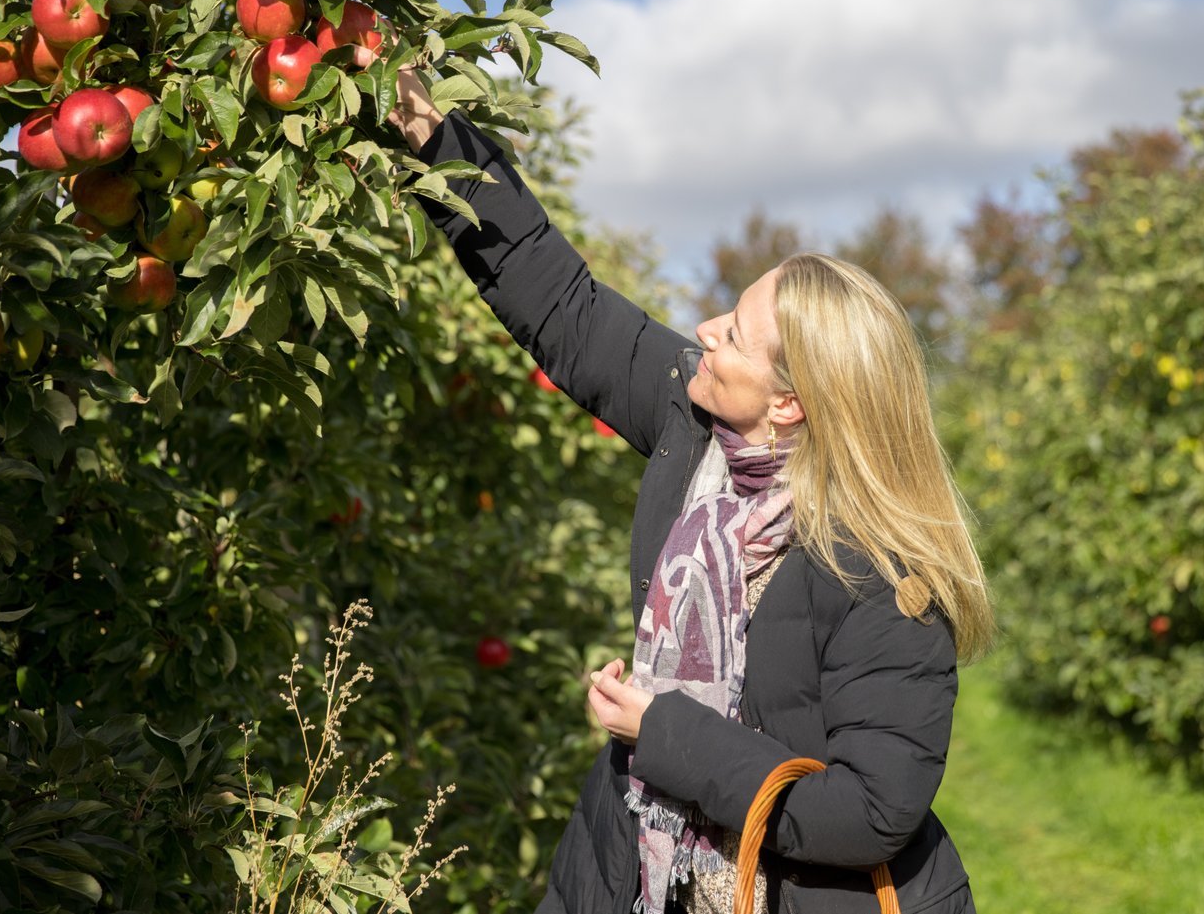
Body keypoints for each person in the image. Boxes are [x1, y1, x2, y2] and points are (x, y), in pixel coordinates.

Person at [389, 69, 993, 914]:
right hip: (633, 872)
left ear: (788, 403)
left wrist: (662, 731)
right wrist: (435, 139)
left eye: (734, 335)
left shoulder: (884, 575)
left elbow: (869, 812)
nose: (705, 332)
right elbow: (562, 305)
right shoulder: (697, 425)